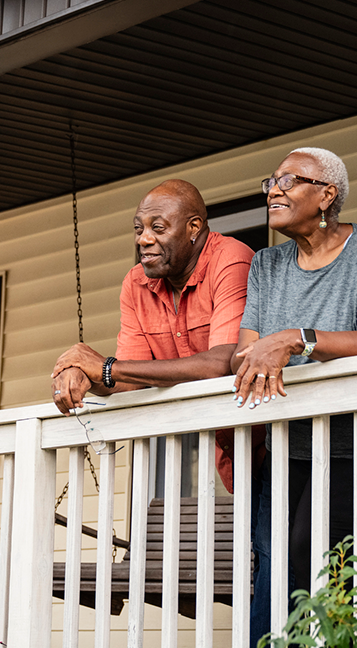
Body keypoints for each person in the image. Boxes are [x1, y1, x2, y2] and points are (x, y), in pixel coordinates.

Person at [231, 148, 357, 645]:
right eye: (270, 181)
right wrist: (265, 352)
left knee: (314, 560)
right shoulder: (267, 265)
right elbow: (245, 354)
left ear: (326, 195)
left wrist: (298, 338)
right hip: (291, 443)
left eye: (289, 181)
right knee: (282, 570)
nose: (273, 190)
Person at [50, 179, 264, 491]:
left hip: (275, 438)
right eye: (139, 229)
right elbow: (131, 376)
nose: (144, 239)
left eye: (158, 228)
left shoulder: (230, 259)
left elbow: (222, 364)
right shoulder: (136, 283)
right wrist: (86, 375)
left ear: (194, 228)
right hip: (229, 452)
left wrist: (107, 368)